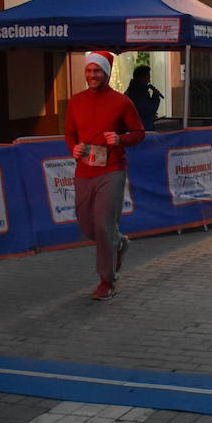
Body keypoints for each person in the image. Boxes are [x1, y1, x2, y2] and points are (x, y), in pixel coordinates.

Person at [64, 51, 145, 301]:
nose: (92, 75)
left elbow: (139, 133)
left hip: (112, 170)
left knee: (102, 225)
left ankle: (106, 280)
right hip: (84, 171)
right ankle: (118, 242)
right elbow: (69, 134)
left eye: (97, 71)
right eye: (88, 71)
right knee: (88, 226)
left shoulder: (122, 102)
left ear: (106, 73)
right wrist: (74, 149)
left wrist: (121, 139)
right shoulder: (76, 101)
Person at [125, 64, 163, 128]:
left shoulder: (137, 91)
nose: (149, 81)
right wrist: (155, 96)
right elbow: (150, 111)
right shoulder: (136, 93)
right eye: (147, 78)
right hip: (142, 130)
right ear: (141, 78)